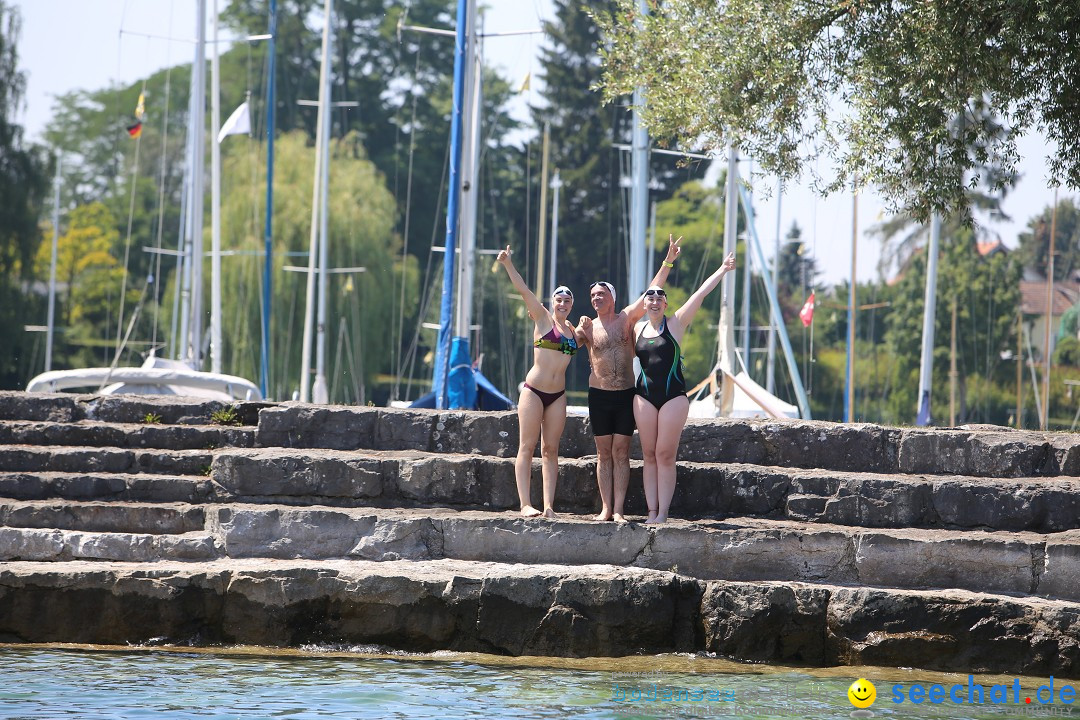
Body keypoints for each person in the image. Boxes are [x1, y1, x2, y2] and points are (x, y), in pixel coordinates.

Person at [575, 235, 682, 522]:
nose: (597, 299)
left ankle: (620, 509)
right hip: (598, 395)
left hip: (625, 394)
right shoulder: (588, 325)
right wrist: (574, 330)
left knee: (622, 451)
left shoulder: (627, 319)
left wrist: (668, 260)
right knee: (603, 453)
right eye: (593, 296)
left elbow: (652, 291)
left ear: (612, 297)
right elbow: (570, 345)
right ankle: (605, 508)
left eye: (601, 294)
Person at [634, 251, 736, 523]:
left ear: (665, 303)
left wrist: (722, 269)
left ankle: (664, 513)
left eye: (659, 298)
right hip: (643, 396)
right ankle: (651, 511)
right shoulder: (636, 330)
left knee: (665, 453)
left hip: (673, 398)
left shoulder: (676, 324)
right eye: (650, 297)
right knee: (648, 454)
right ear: (643, 304)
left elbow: (700, 294)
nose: (654, 301)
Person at [496, 245, 578, 518]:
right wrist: (508, 264)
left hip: (558, 395)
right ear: (553, 302)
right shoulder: (542, 318)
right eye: (559, 300)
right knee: (527, 446)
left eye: (567, 301)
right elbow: (523, 290)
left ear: (572, 305)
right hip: (534, 391)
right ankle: (524, 504)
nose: (563, 304)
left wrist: (588, 331)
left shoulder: (574, 332)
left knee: (551, 449)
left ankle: (549, 506)